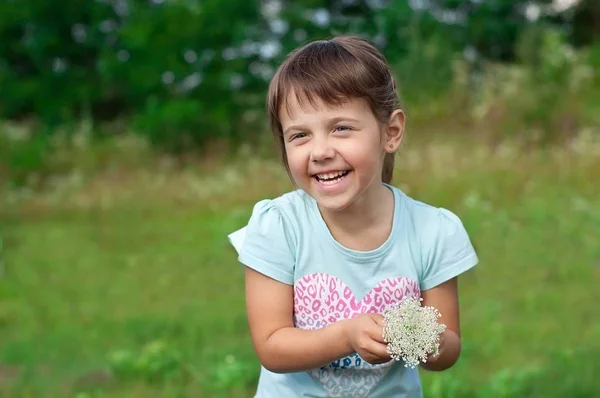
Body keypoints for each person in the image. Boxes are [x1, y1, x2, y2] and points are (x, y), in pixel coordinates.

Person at [227, 35, 478, 398]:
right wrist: (347, 336)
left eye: (341, 128)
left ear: (390, 132)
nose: (321, 151)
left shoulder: (432, 231)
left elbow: (448, 347)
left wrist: (429, 339)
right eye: (299, 135)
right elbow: (272, 345)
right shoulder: (278, 226)